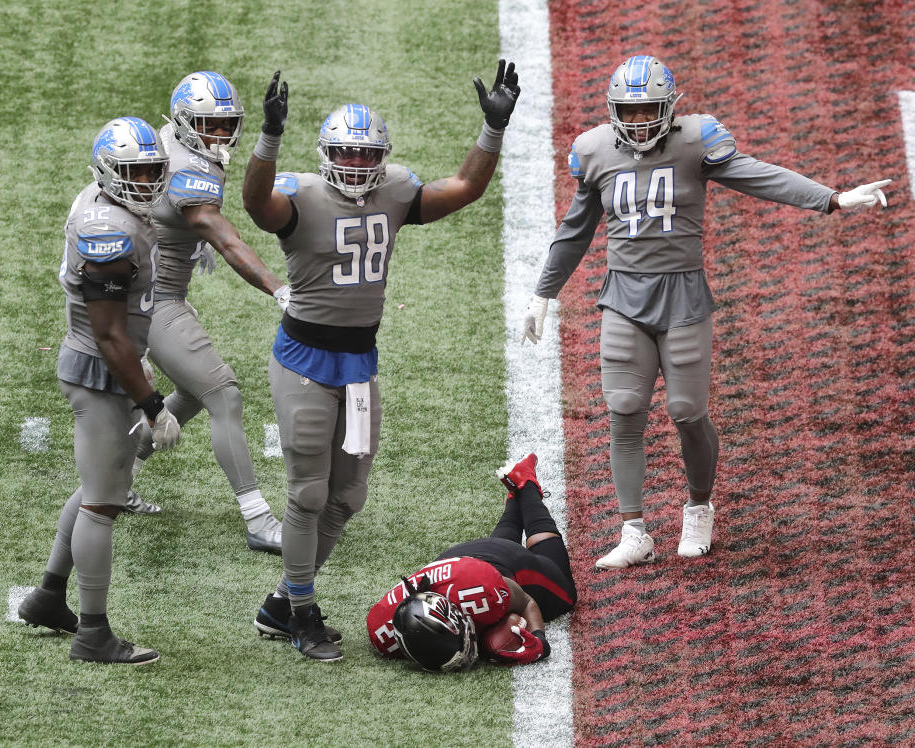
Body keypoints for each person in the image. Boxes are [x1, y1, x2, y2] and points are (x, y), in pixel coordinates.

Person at [521, 54, 891, 570]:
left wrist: (830, 198)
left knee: (686, 413)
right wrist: (545, 292)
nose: (636, 121)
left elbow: (757, 175)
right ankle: (634, 530)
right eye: (626, 112)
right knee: (624, 409)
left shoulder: (696, 142)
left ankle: (698, 507)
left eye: (646, 109)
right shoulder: (595, 151)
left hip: (684, 298)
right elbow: (575, 229)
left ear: (669, 108)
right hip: (623, 299)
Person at [244, 60, 521, 661]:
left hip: (360, 364)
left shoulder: (395, 189)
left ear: (384, 157)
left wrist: (491, 130)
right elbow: (255, 202)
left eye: (369, 155)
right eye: (346, 153)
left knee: (348, 497)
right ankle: (300, 610)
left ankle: (280, 601)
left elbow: (464, 189)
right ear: (324, 154)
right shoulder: (300, 196)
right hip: (304, 360)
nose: (358, 165)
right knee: (308, 494)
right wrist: (267, 139)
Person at [19, 117, 182, 664]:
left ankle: (47, 596)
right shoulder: (110, 231)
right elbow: (111, 336)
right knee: (101, 505)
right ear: (110, 172)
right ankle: (93, 634)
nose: (144, 182)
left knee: (97, 486)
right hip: (98, 367)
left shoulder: (104, 202)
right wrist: (151, 402)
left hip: (102, 360)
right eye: (133, 171)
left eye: (151, 170)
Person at [126, 71, 288, 555]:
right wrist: (278, 288)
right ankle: (258, 518)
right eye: (208, 124)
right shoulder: (185, 169)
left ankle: (120, 479)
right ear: (183, 122)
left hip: (154, 292)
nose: (219, 134)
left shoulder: (173, 146)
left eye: (225, 123)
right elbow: (224, 236)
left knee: (194, 394)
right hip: (151, 300)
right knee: (223, 393)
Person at [365, 453, 577, 671]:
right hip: (460, 560)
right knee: (495, 617)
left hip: (490, 566)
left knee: (564, 594)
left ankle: (526, 484)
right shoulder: (383, 634)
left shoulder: (482, 591)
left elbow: (525, 602)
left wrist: (539, 640)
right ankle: (515, 495)